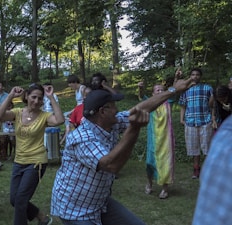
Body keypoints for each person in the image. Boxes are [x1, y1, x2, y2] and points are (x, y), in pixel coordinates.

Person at [51, 77, 193, 225]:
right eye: (113, 106)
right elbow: (112, 165)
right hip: (75, 210)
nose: (117, 109)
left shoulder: (110, 123)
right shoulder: (81, 138)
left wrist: (173, 90)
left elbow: (140, 109)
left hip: (99, 202)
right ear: (102, 111)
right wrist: (134, 128)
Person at [0, 83, 65, 225]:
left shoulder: (44, 116)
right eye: (33, 97)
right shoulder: (17, 112)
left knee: (20, 200)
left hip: (36, 162)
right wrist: (10, 96)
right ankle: (42, 218)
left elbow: (59, 120)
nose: (36, 101)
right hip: (19, 161)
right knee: (14, 199)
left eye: (40, 99)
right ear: (26, 96)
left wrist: (51, 97)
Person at [191, 116, 232, 225]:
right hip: (193, 121)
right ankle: (196, 169)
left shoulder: (226, 137)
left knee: (205, 150)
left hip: (206, 123)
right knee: (195, 150)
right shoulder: (226, 133)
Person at [138, 82, 175, 199]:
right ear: (153, 94)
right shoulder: (150, 104)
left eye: (161, 90)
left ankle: (165, 189)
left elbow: (173, 90)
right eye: (157, 90)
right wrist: (141, 88)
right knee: (149, 163)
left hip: (166, 141)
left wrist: (176, 78)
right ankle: (149, 183)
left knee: (165, 164)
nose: (160, 92)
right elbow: (141, 96)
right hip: (153, 141)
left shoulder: (168, 102)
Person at [178, 68, 215, 179]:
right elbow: (183, 106)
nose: (195, 76)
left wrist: (213, 119)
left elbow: (212, 106)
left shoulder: (208, 88)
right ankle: (196, 169)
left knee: (207, 147)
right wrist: (181, 119)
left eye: (197, 74)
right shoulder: (186, 90)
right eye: (193, 74)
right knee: (194, 148)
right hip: (190, 122)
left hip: (205, 121)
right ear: (190, 76)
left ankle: (209, 169)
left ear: (200, 76)